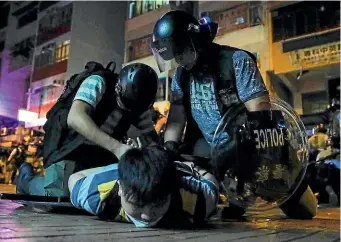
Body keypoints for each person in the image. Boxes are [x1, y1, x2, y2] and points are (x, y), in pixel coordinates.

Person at [151, 10, 317, 219]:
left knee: (305, 211)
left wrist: (236, 150)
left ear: (195, 41)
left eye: (181, 51)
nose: (179, 60)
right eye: (174, 55)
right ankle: (232, 194)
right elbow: (176, 120)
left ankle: (267, 186)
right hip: (211, 151)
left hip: (255, 148)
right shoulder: (181, 77)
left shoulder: (236, 61)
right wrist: (170, 147)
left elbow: (261, 115)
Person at [17, 63, 159, 197]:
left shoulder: (139, 104)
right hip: (70, 149)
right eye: (124, 105)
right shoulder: (98, 82)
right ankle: (26, 180)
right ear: (118, 89)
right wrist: (117, 148)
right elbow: (75, 117)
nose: (127, 110)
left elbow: (151, 138)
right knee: (59, 192)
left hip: (101, 154)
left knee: (105, 189)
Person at [68, 145, 219, 228]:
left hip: (181, 169)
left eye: (159, 204)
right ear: (120, 188)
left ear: (171, 194)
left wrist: (193, 169)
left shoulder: (198, 200)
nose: (147, 216)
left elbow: (211, 182)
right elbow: (74, 178)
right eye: (137, 204)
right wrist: (121, 169)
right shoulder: (97, 193)